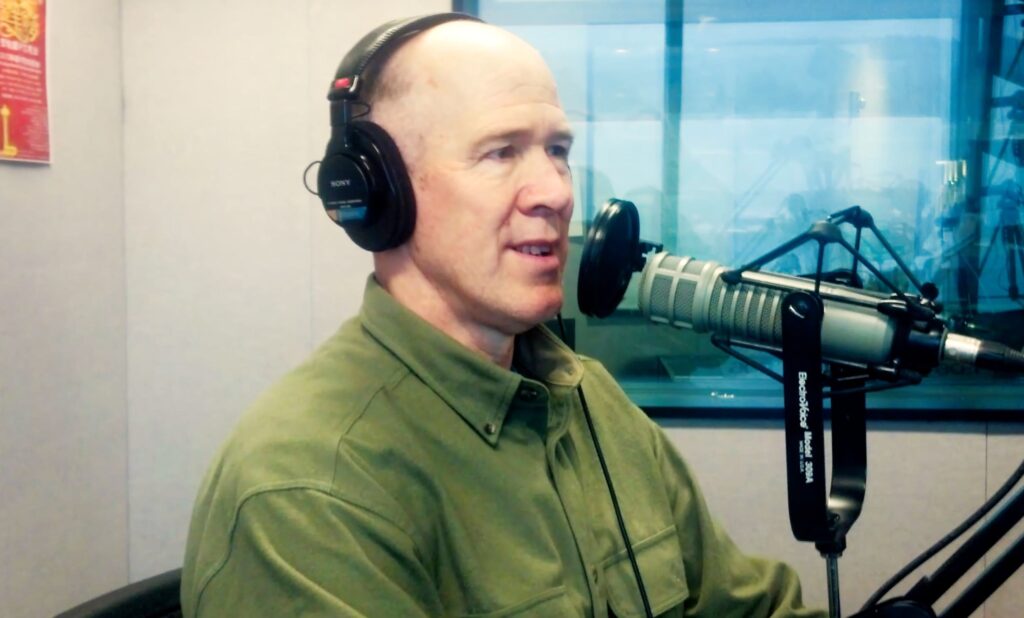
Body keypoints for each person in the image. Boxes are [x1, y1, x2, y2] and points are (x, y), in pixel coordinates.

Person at [181, 13, 825, 617]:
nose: (555, 191)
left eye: (558, 151)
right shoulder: (307, 492)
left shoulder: (590, 401)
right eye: (500, 152)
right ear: (377, 191)